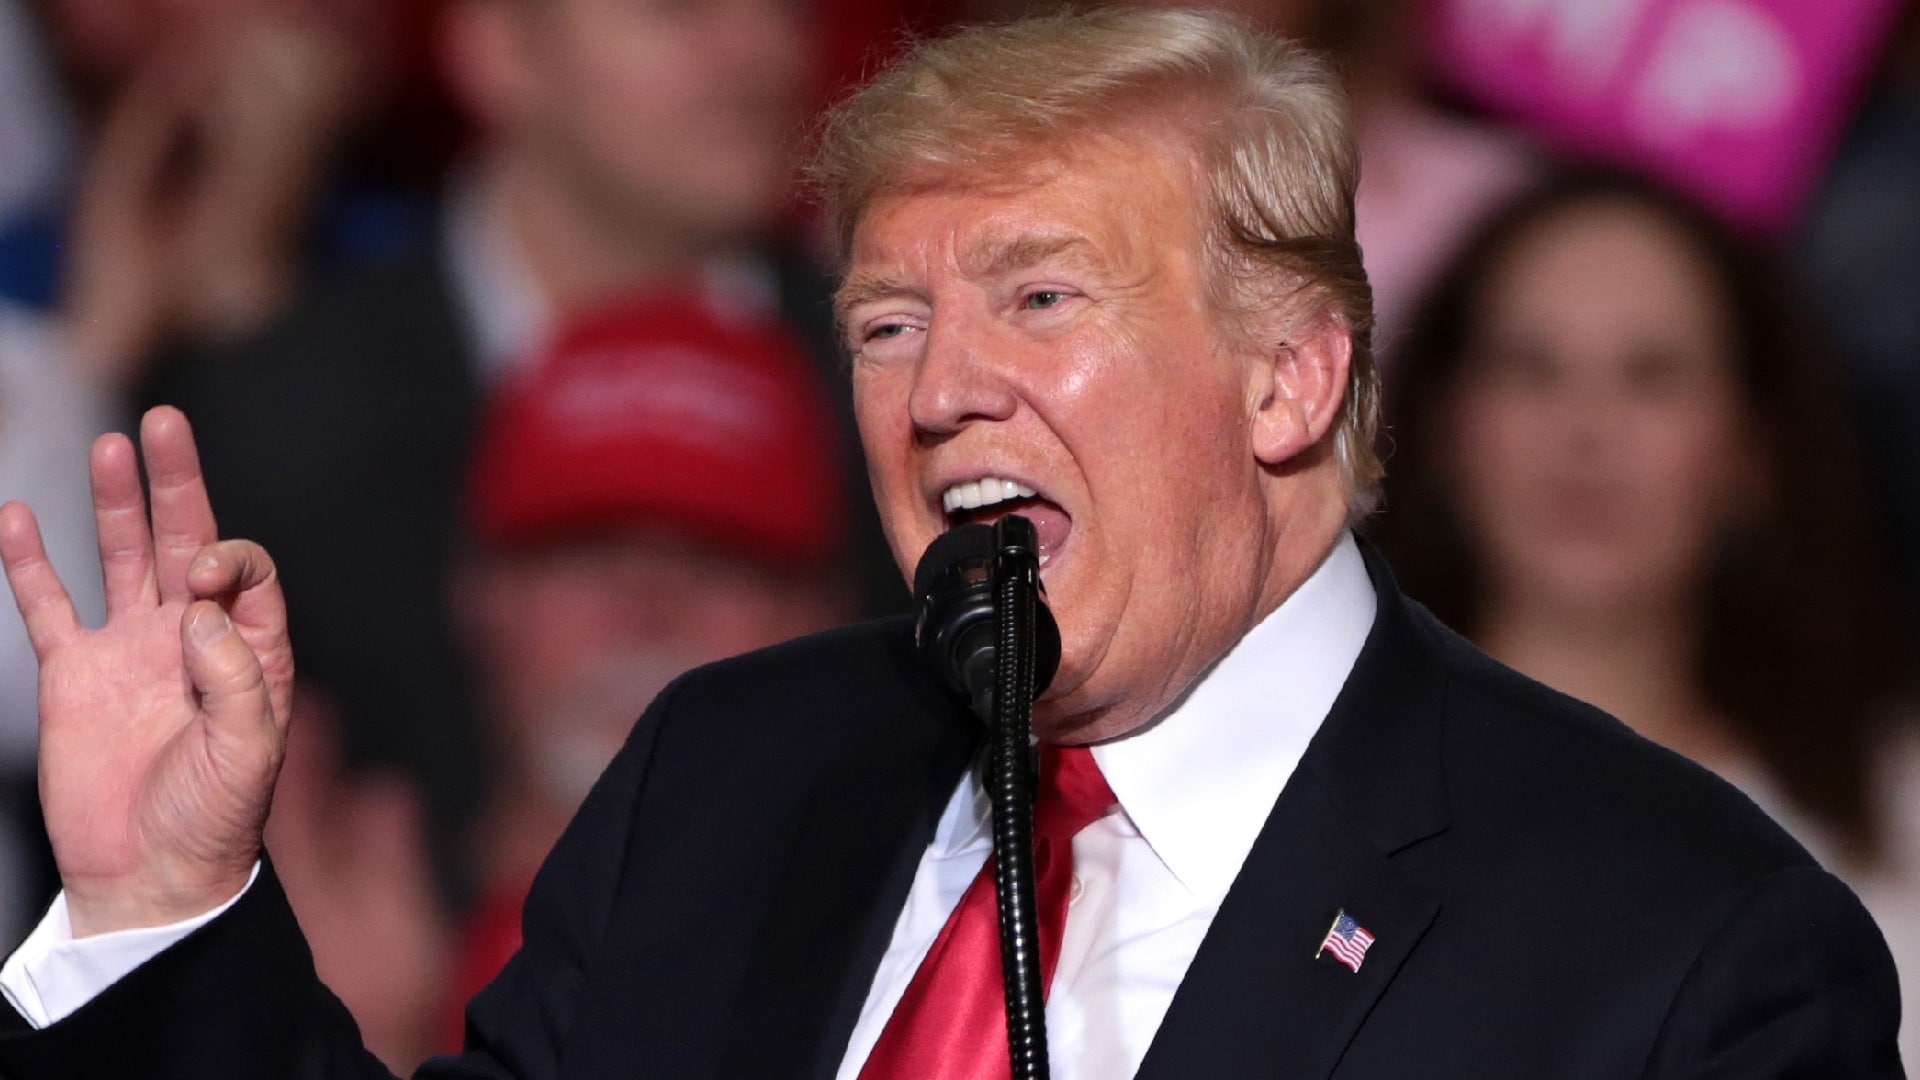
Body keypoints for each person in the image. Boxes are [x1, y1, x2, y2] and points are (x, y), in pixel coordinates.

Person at [0, 9, 1903, 1079]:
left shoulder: (1681, 957)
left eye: (1043, 297)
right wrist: (171, 905)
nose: (940, 394)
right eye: (888, 326)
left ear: (1290, 379)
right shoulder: (728, 784)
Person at [1365, 168, 1920, 1061]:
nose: (1586, 429)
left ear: (1754, 448)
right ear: (1444, 427)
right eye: (1529, 366)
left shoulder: (1897, 814)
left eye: (1653, 375)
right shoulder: (1307, 784)